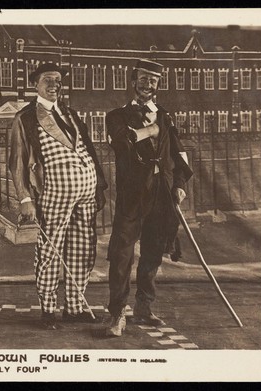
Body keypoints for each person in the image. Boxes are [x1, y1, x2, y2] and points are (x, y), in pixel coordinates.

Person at [10, 63, 108, 330]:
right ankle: (49, 309)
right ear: (35, 84)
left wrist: (98, 185)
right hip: (53, 193)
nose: (54, 85)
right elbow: (17, 162)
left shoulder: (71, 113)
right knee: (51, 250)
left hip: (85, 194)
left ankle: (75, 307)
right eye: (48, 80)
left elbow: (88, 149)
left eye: (58, 81)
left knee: (82, 248)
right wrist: (25, 198)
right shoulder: (25, 117)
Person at [105, 59, 193, 337]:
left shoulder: (165, 117)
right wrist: (150, 131)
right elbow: (122, 143)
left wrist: (179, 185)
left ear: (157, 85)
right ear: (133, 81)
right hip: (132, 196)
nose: (148, 84)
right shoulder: (117, 116)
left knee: (153, 251)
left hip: (163, 195)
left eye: (153, 80)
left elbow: (179, 155)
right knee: (121, 254)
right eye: (143, 78)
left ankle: (144, 307)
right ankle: (118, 313)